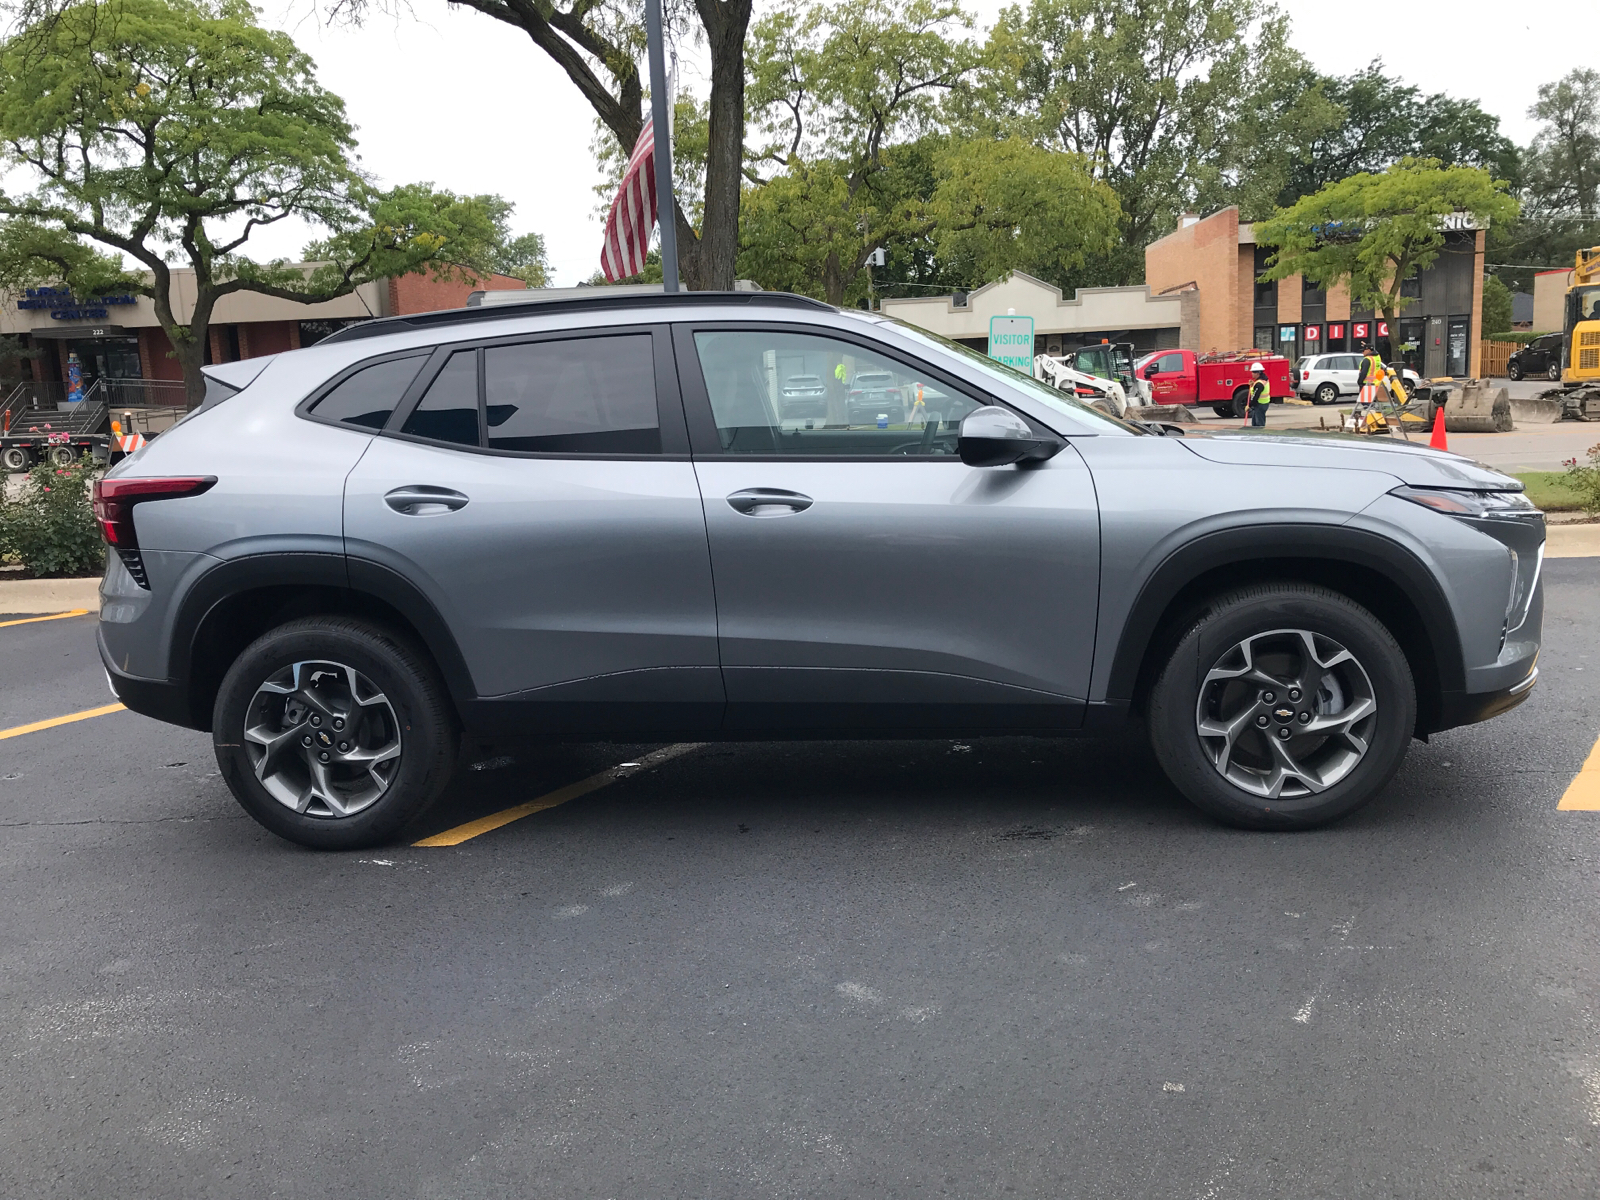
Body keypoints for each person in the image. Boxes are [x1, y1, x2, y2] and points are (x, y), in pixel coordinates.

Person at [1356, 342, 1385, 408]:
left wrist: (1359, 382)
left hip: (1367, 384)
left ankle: (1370, 415)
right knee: (1370, 403)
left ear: (1368, 350)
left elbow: (1363, 372)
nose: (1362, 352)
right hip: (1376, 383)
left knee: (1365, 403)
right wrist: (1368, 345)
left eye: (1363, 350)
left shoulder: (1367, 360)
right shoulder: (1377, 357)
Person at [1245, 361, 1271, 427]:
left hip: (1260, 405)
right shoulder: (1263, 380)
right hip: (1263, 404)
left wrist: (1249, 405)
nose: (1252, 374)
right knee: (1255, 423)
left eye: (1253, 372)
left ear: (1258, 373)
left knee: (1259, 424)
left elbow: (1255, 396)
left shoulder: (1259, 384)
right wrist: (1253, 384)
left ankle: (1260, 436)